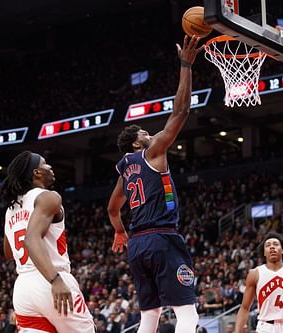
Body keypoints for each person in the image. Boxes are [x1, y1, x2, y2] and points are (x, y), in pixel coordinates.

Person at [107, 35, 203, 333]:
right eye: (146, 132)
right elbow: (181, 112)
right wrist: (185, 66)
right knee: (188, 315)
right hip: (162, 238)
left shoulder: (125, 170)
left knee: (149, 317)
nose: (151, 133)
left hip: (137, 245)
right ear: (138, 141)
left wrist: (121, 232)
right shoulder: (153, 152)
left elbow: (112, 209)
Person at [0, 151, 94, 332]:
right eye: (45, 163)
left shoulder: (11, 209)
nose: (50, 167)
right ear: (37, 173)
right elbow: (31, 239)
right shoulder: (48, 197)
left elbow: (9, 253)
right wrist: (55, 280)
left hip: (23, 287)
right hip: (50, 278)